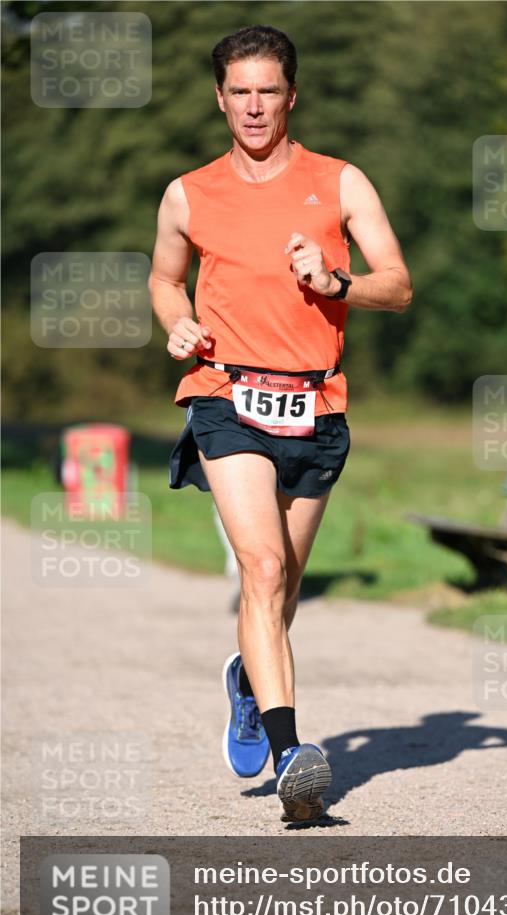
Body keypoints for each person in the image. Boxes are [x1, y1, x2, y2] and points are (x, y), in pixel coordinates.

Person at [149, 25, 411, 823]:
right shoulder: (188, 192)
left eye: (268, 90)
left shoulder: (339, 182)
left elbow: (396, 285)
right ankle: (295, 755)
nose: (253, 106)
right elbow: (165, 280)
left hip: (314, 402)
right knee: (259, 570)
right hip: (224, 394)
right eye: (239, 92)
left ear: (291, 95)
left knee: (283, 589)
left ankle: (246, 684)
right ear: (219, 98)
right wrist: (178, 324)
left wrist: (334, 280)